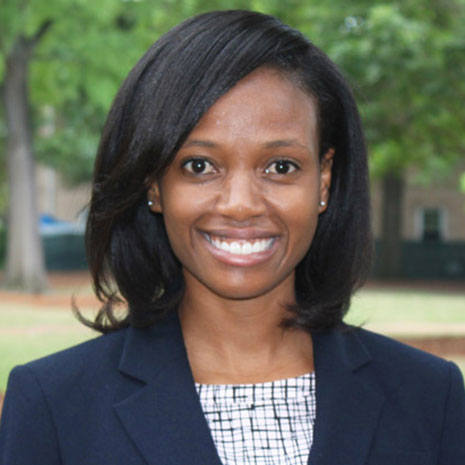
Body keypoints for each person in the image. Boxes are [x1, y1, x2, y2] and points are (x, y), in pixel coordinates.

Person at [1, 9, 464, 465]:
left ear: (323, 180)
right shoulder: (53, 408)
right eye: (199, 166)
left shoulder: (430, 398)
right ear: (154, 183)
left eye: (280, 166)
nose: (240, 204)